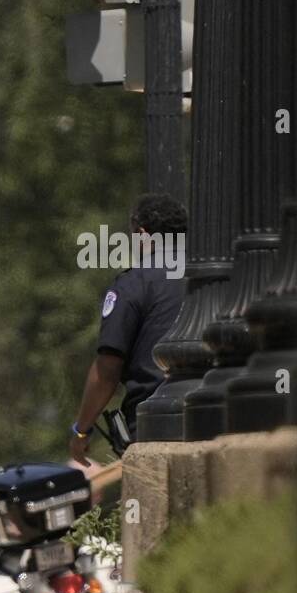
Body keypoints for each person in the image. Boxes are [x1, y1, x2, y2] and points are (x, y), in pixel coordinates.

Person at [70, 193, 188, 466]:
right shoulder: (214, 273)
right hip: (214, 412)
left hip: (154, 424)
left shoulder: (133, 284)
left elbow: (107, 371)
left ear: (142, 233)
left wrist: (81, 430)